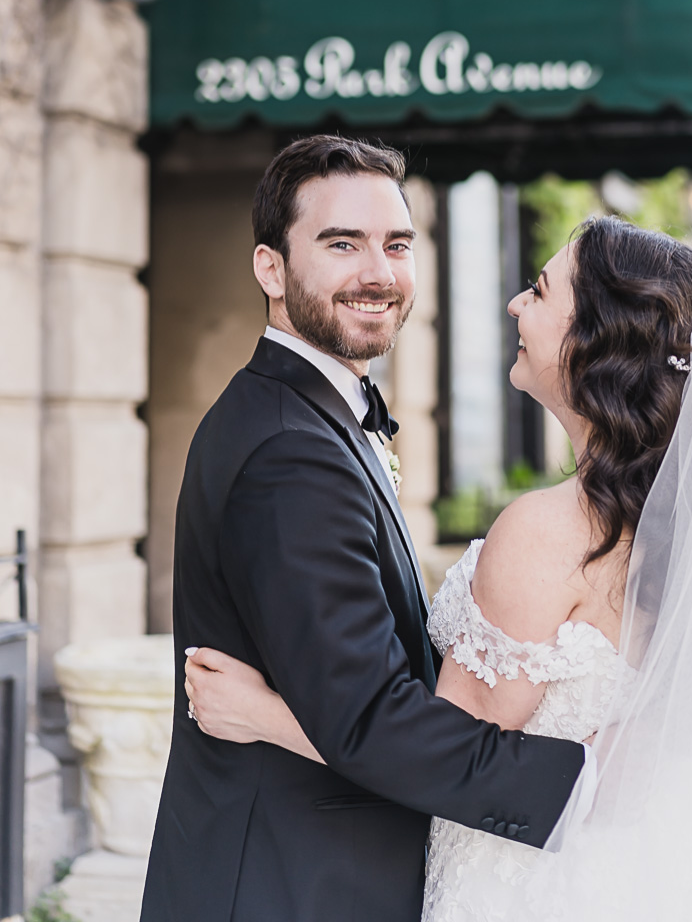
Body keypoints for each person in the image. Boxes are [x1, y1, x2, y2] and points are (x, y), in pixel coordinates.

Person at [186, 216, 692, 922]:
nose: (514, 304)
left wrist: (263, 715)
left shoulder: (549, 530)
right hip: (649, 865)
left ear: (593, 341)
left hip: (526, 882)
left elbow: (440, 748)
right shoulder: (689, 532)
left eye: (539, 290)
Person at [140, 136, 591, 922]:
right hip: (292, 887)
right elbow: (370, 720)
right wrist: (578, 783)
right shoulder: (290, 452)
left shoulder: (313, 419)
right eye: (341, 244)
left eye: (396, 245)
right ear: (270, 269)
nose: (378, 273)